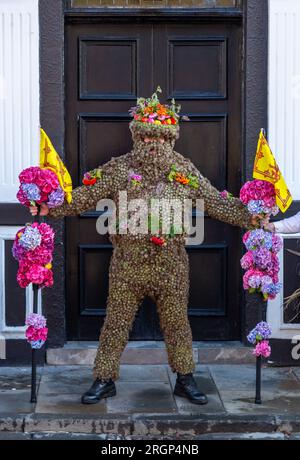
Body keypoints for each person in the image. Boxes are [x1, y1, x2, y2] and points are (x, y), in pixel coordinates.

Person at [30, 89, 259, 405]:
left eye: (161, 138)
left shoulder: (184, 170)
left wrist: (253, 216)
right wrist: (49, 208)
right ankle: (104, 379)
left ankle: (185, 379)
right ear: (137, 136)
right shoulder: (119, 169)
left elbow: (214, 201)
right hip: (127, 265)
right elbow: (83, 196)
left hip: (172, 264)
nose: (154, 144)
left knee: (178, 323)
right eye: (148, 137)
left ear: (171, 139)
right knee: (115, 322)